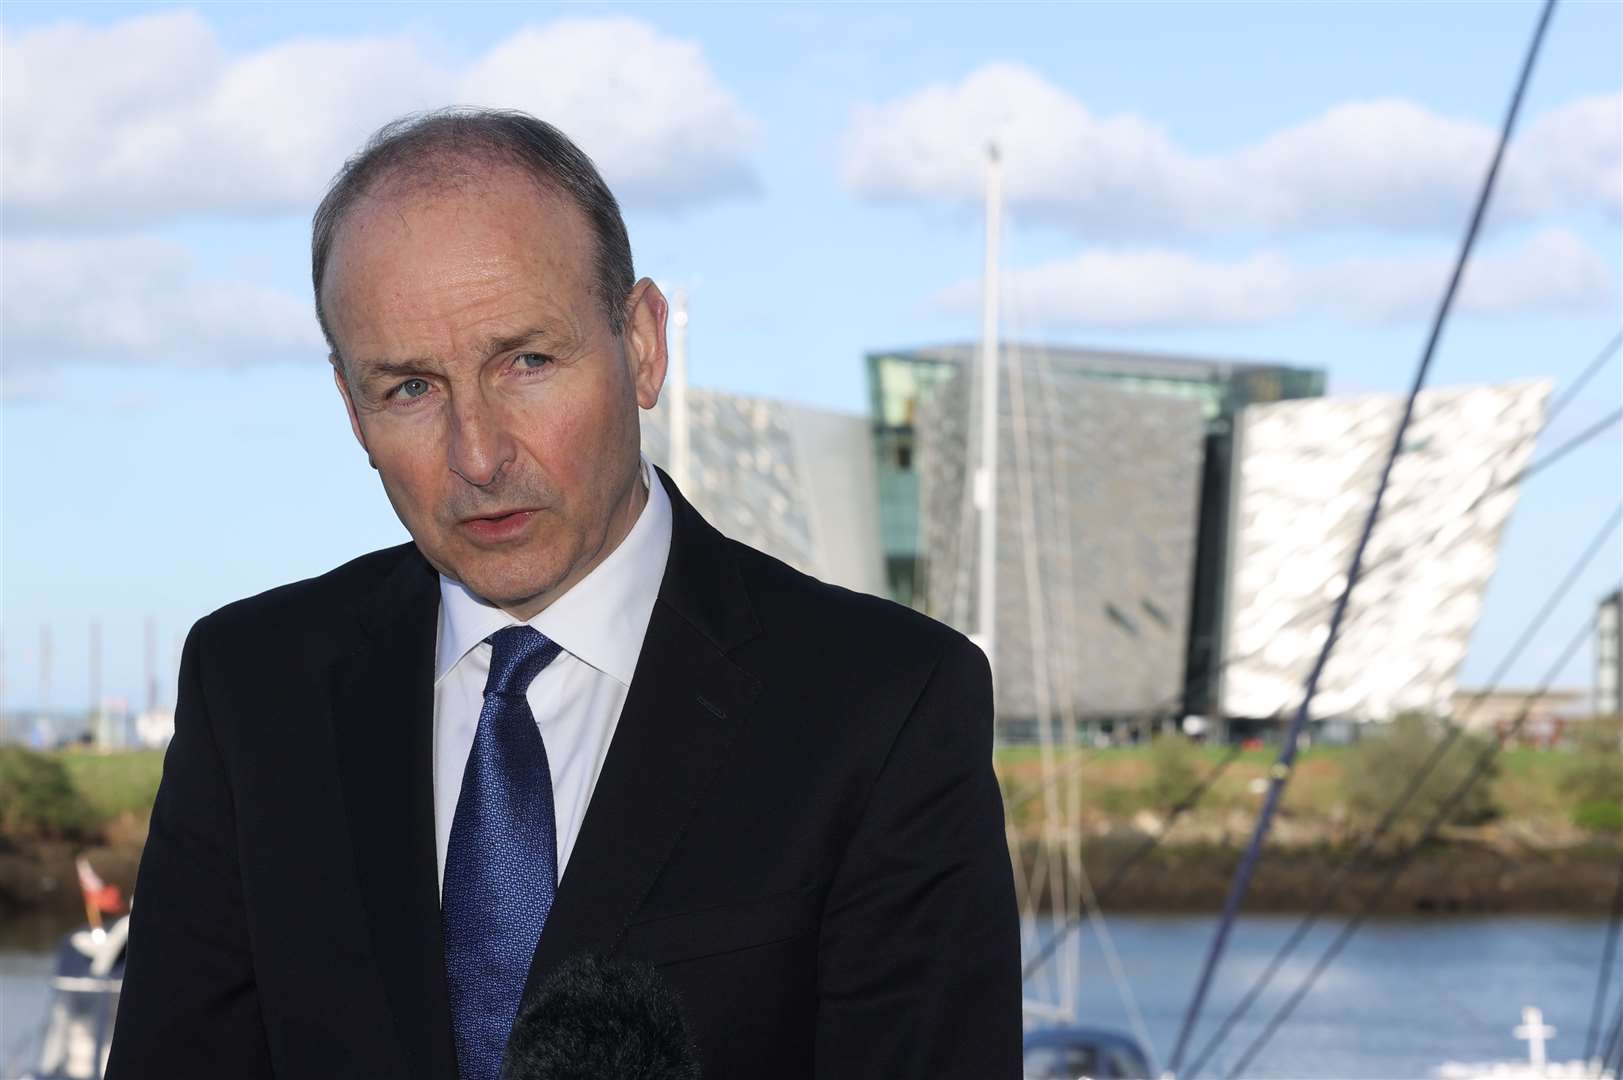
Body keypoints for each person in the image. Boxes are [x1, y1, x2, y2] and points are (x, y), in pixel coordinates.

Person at [106, 108, 1020, 1080]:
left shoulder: (885, 705)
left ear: (643, 344)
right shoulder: (254, 684)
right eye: (411, 388)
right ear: (351, 409)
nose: (478, 454)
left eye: (527, 362)